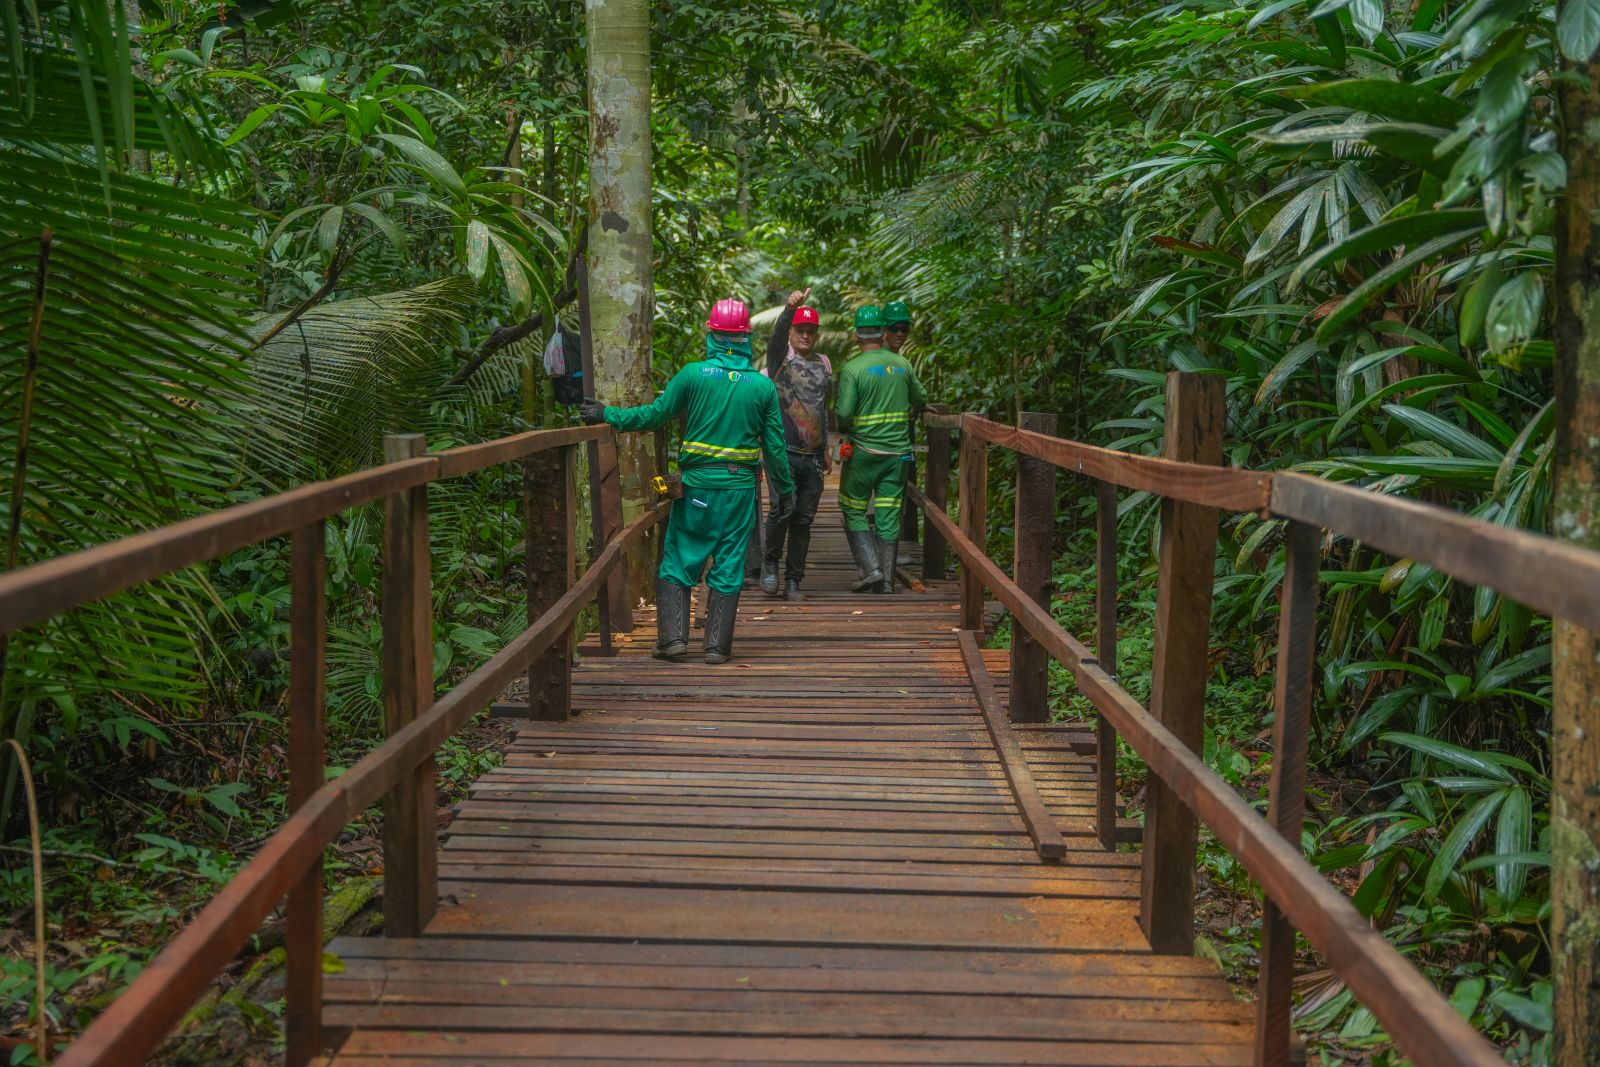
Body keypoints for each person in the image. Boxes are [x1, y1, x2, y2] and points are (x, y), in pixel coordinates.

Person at [581, 298, 795, 664]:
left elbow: (656, 415)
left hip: (697, 488)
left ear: (712, 334)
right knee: (729, 563)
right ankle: (716, 647)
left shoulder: (693, 375)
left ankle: (673, 641)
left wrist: (608, 413)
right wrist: (785, 491)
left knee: (680, 558)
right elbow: (775, 447)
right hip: (739, 490)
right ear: (746, 338)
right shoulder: (761, 387)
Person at [835, 304, 927, 593]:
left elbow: (844, 414)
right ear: (883, 333)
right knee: (888, 510)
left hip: (864, 453)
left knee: (852, 507)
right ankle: (886, 581)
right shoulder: (902, 364)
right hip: (898, 455)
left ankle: (871, 569)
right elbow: (921, 399)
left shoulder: (852, 369)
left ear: (856, 336)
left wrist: (843, 421)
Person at [759, 287, 832, 601]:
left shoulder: (824, 364)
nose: (805, 335)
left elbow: (822, 408)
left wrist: (826, 447)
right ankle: (770, 564)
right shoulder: (779, 360)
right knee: (781, 510)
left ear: (816, 334)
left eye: (810, 330)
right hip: (782, 452)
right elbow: (775, 336)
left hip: (812, 456)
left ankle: (793, 581)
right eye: (799, 329)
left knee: (803, 519)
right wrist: (789, 309)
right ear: (791, 332)